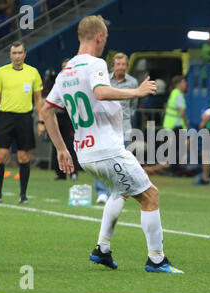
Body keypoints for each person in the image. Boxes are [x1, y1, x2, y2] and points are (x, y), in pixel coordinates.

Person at [41, 15, 183, 274]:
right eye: (105, 38)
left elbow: (46, 110)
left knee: (120, 192)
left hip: (85, 153)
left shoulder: (66, 71)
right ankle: (156, 259)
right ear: (99, 37)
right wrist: (137, 92)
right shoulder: (95, 63)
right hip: (107, 150)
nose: (105, 42)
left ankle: (102, 249)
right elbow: (101, 92)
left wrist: (62, 149)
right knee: (150, 196)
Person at [0, 41, 44, 204]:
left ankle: (23, 195)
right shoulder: (2, 72)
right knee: (1, 156)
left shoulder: (33, 73)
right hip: (5, 118)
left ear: (25, 54)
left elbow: (38, 99)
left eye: (20, 53)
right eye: (14, 53)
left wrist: (41, 121)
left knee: (24, 157)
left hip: (25, 118)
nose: (17, 56)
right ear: (10, 55)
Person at [94, 52, 139, 204]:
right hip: (106, 125)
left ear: (127, 66)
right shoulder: (104, 80)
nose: (121, 67)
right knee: (102, 159)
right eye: (118, 64)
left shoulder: (133, 83)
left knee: (120, 162)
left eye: (123, 64)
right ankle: (102, 192)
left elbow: (133, 105)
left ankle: (117, 193)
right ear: (113, 66)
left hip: (124, 126)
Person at [47, 59, 79, 181]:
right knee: (57, 145)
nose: (65, 69)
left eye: (67, 66)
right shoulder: (58, 81)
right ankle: (60, 173)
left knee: (71, 145)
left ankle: (73, 172)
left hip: (70, 118)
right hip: (57, 117)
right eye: (63, 67)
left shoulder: (76, 82)